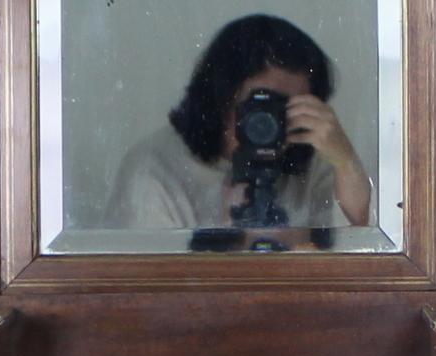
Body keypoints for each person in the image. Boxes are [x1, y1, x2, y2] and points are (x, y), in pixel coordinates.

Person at [96, 14, 374, 233]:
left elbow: (362, 247)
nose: (273, 122)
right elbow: (144, 289)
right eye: (262, 104)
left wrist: (345, 161)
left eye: (290, 109)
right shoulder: (154, 171)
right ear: (222, 97)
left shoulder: (315, 163)